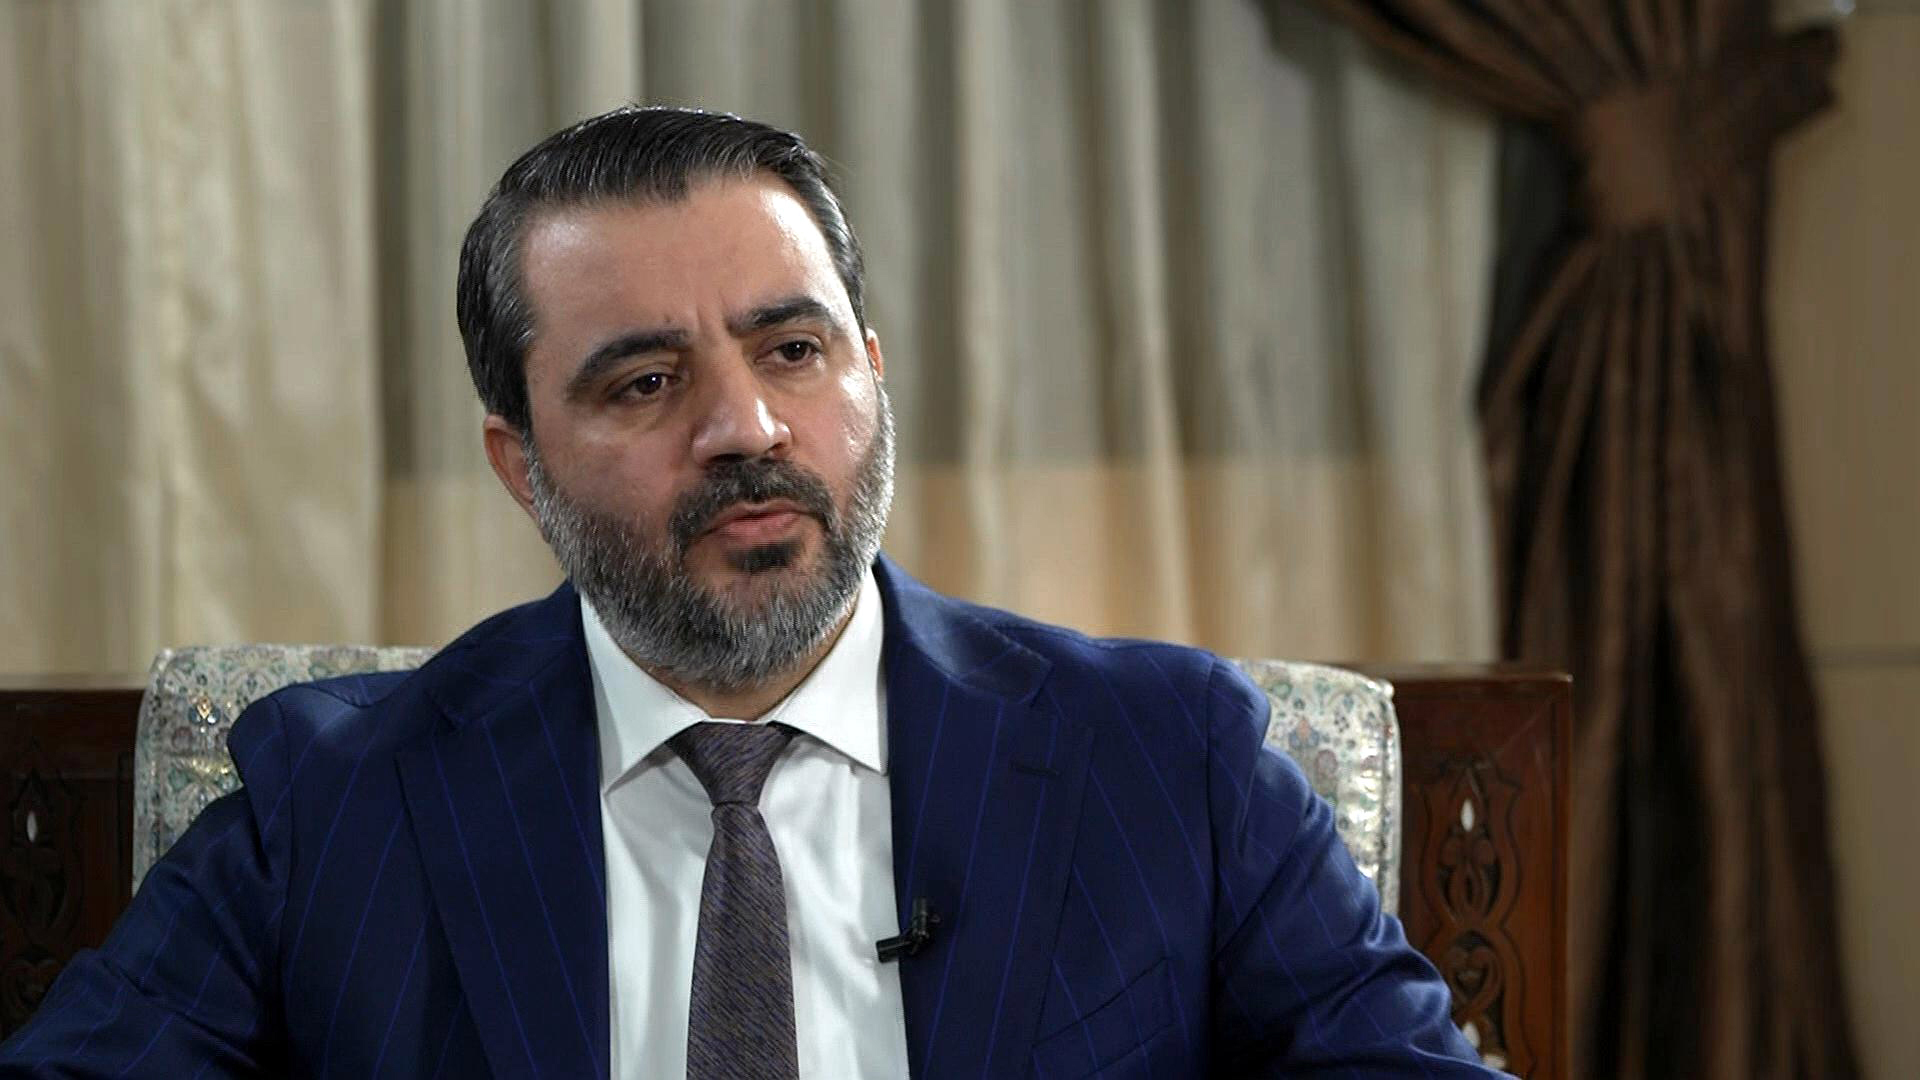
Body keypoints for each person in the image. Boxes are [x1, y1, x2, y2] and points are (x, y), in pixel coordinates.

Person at [1, 106, 1502, 1078]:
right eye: (646, 382)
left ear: (873, 377)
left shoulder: (1165, 753)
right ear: (522, 465)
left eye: (793, 350)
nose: (748, 428)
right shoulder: (333, 794)